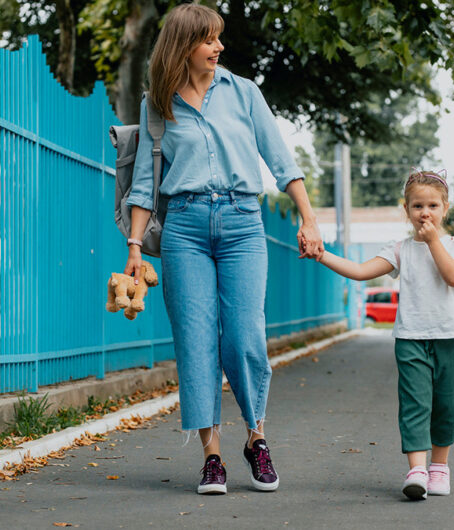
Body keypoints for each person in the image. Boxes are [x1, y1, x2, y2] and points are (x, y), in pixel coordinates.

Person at [123, 3, 324, 495]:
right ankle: (212, 455)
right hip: (185, 228)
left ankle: (256, 438)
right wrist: (134, 246)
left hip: (241, 223)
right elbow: (146, 186)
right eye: (209, 39)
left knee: (244, 337)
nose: (218, 47)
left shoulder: (243, 93)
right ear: (184, 44)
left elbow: (281, 159)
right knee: (195, 341)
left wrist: (308, 215)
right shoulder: (158, 103)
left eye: (219, 39)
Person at [316, 169, 454, 500]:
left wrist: (433, 241)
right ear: (407, 210)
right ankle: (416, 469)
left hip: (449, 338)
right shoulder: (400, 249)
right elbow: (360, 272)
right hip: (410, 339)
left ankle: (439, 467)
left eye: (432, 205)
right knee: (414, 404)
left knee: (446, 405)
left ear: (446, 208)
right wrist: (322, 255)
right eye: (417, 206)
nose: (425, 213)